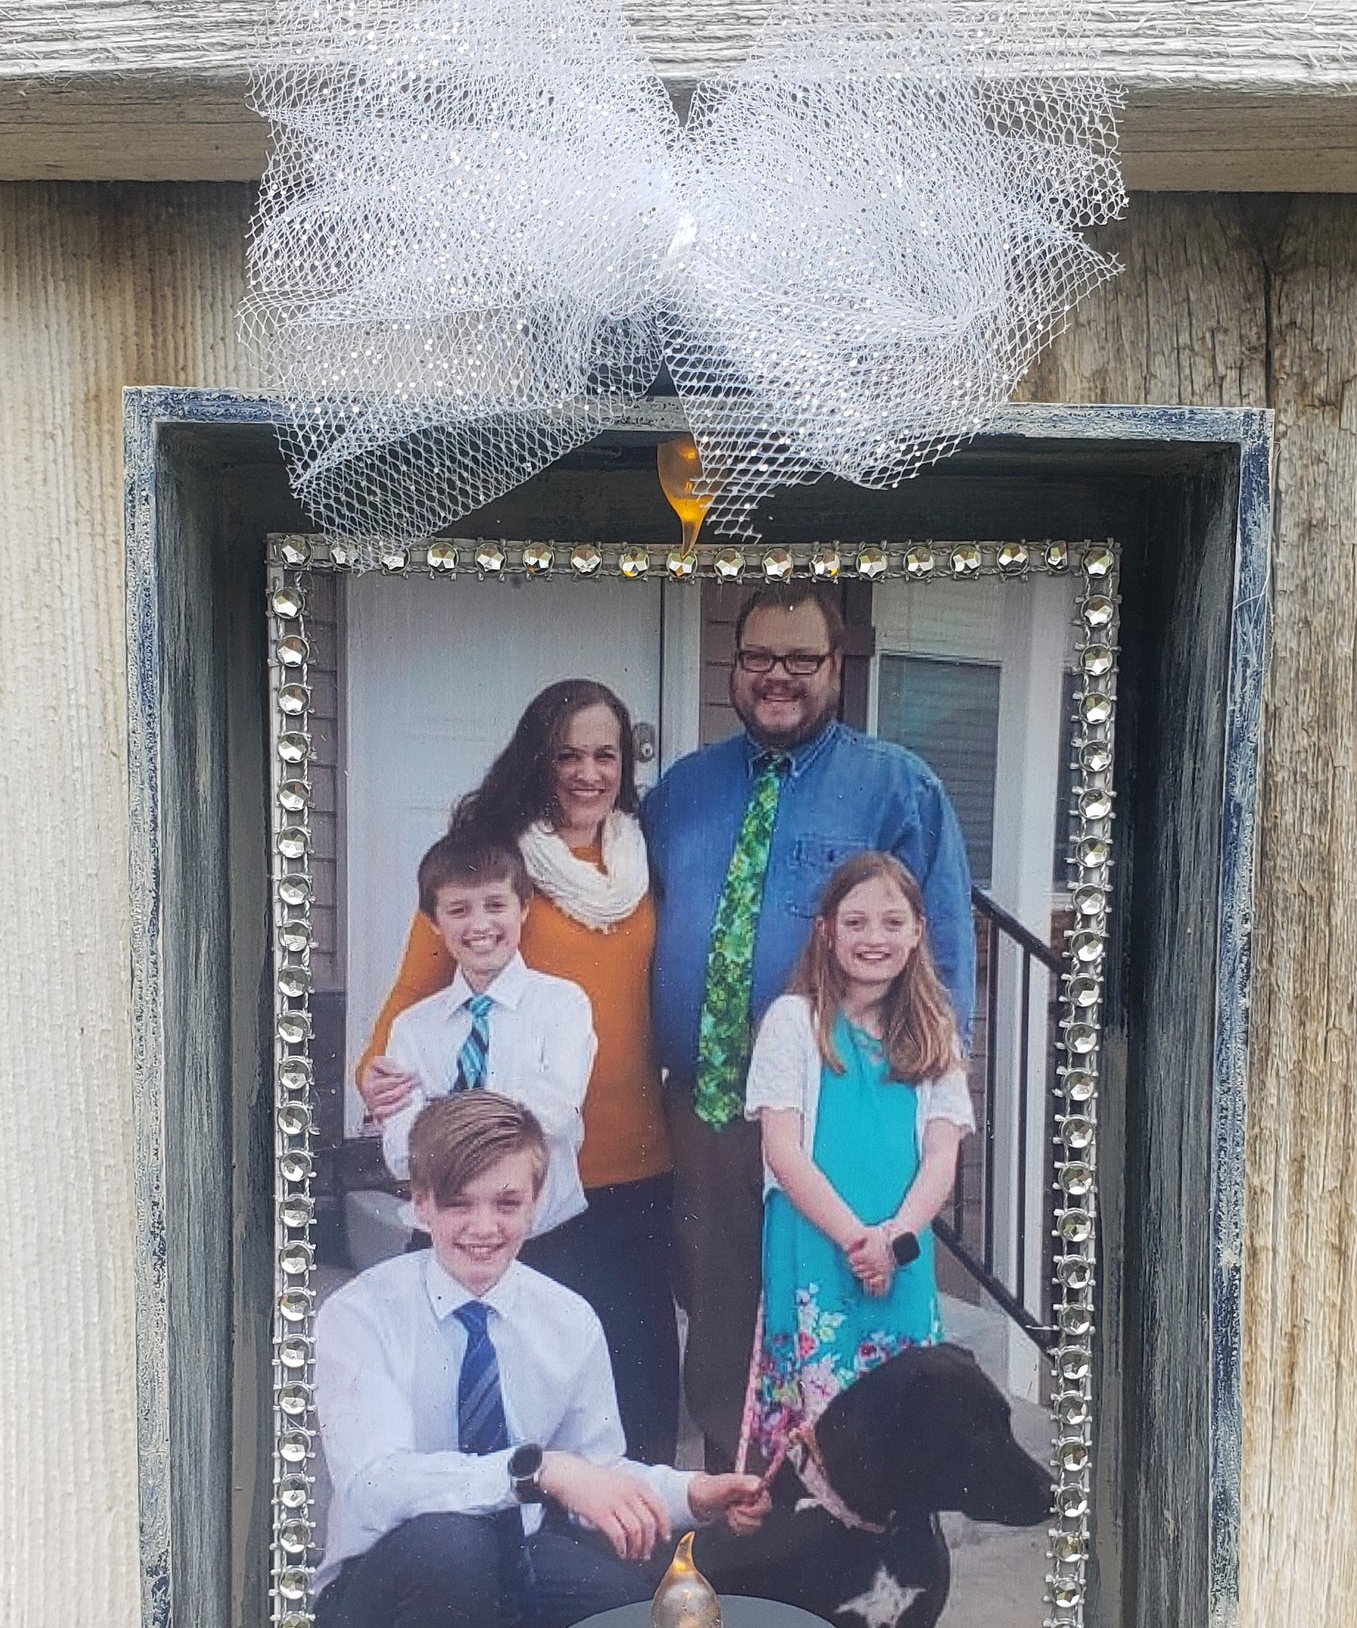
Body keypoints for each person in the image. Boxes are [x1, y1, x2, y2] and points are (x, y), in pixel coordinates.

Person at [641, 580, 974, 1467]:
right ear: (733, 667)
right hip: (709, 1105)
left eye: (800, 658)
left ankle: (855, 1486)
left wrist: (932, 1089)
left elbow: (941, 946)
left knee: (848, 1288)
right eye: (757, 657)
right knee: (722, 1301)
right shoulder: (683, 790)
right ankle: (735, 1491)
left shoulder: (898, 786)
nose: (776, 676)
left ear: (836, 665)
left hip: (845, 1103)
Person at [312, 1092, 766, 1628]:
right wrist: (537, 1468)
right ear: (419, 1203)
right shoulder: (360, 1315)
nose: (483, 1227)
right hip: (383, 1589)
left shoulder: (566, 1318)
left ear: (536, 1202)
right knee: (454, 1549)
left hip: (518, 1562)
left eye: (507, 1203)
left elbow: (597, 1470)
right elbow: (375, 1485)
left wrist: (690, 1494)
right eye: (457, 1203)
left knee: (644, 1627)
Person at [358, 680, 679, 1464]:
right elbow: (414, 991)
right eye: (567, 754)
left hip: (634, 1158)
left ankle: (639, 1553)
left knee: (631, 1380)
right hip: (522, 1174)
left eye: (605, 754)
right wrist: (376, 1076)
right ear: (537, 758)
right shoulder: (499, 864)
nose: (587, 772)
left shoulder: (639, 854)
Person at [740, 852, 974, 1473]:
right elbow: (783, 1152)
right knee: (821, 1427)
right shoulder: (794, 1023)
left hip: (902, 1253)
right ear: (827, 930)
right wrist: (855, 1240)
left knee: (904, 1420)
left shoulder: (934, 1029)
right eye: (857, 922)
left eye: (893, 923)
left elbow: (942, 1153)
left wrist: (895, 1238)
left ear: (918, 931)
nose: (875, 938)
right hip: (818, 1249)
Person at [378, 835, 595, 1248]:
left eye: (496, 905)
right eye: (459, 910)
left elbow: (556, 1112)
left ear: (524, 908)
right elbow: (401, 1151)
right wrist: (506, 1116)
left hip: (543, 1236)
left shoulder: (563, 1005)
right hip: (440, 1235)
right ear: (434, 923)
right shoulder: (413, 1028)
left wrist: (440, 1118)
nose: (480, 925)